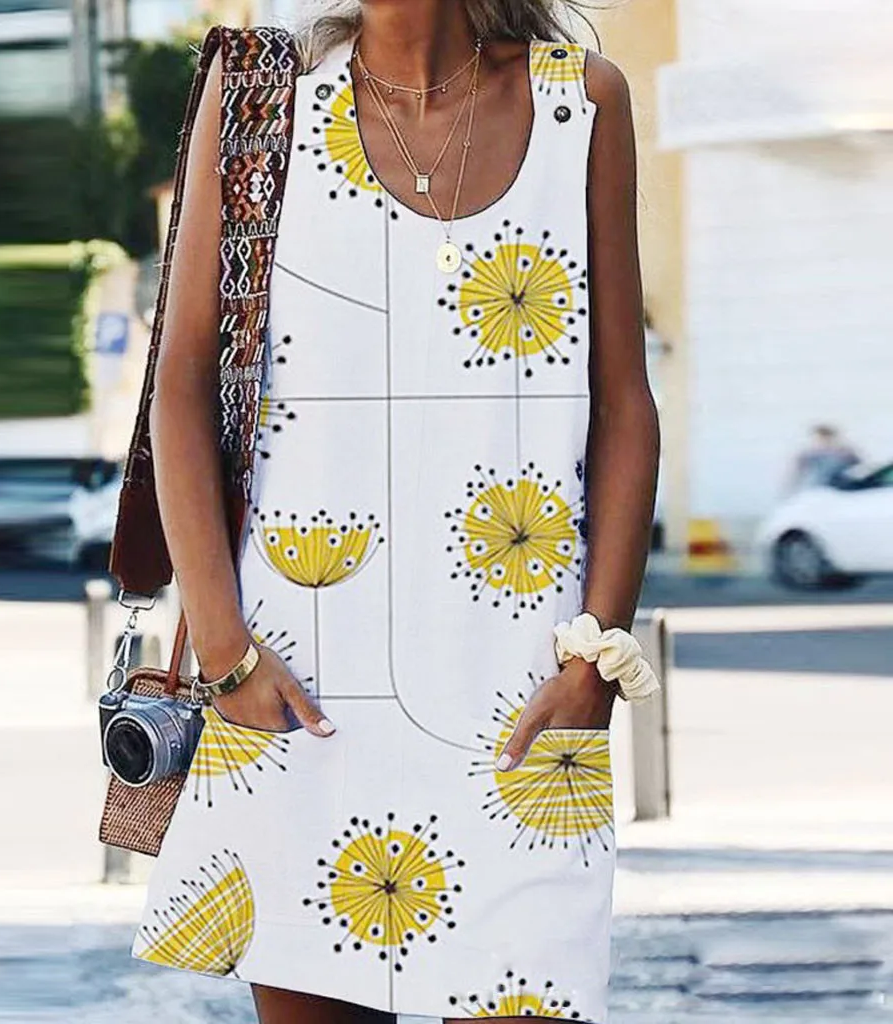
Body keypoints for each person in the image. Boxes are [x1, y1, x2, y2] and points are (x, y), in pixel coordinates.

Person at [132, 2, 660, 1022]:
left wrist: (598, 652)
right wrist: (227, 652)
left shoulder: (580, 104)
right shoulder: (260, 102)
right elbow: (181, 387)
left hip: (525, 691)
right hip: (297, 681)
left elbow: (623, 401)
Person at [788, 424, 860, 492]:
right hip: (819, 487)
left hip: (841, 485)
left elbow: (856, 468)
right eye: (821, 438)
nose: (825, 440)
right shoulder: (809, 455)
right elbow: (798, 475)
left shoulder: (845, 452)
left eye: (827, 437)